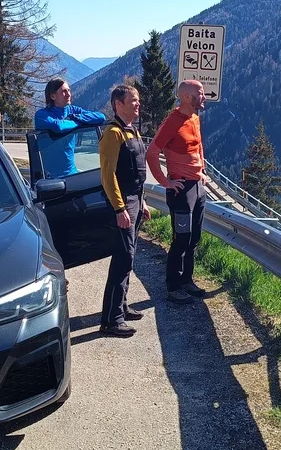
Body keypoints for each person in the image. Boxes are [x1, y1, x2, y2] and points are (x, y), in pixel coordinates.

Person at [146, 80, 208, 305]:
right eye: (201, 94)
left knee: (194, 238)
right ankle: (173, 287)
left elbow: (198, 145)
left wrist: (202, 170)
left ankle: (187, 280)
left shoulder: (195, 117)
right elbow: (152, 153)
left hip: (198, 187)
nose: (204, 97)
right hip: (181, 189)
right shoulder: (172, 121)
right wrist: (165, 181)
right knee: (181, 239)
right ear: (188, 97)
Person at [97, 83, 150, 337]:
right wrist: (120, 208)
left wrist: (144, 202)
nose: (138, 104)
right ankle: (110, 319)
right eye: (133, 101)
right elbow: (108, 176)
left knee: (129, 256)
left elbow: (137, 174)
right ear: (119, 104)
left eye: (138, 100)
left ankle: (122, 306)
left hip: (135, 202)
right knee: (123, 258)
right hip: (123, 204)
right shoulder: (113, 133)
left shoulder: (133, 131)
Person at [34, 78, 106, 179]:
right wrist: (78, 122)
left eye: (69, 90)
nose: (68, 94)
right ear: (52, 96)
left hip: (72, 173)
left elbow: (101, 117)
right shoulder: (41, 115)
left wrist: (78, 118)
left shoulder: (73, 111)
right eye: (64, 91)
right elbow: (58, 126)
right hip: (50, 178)